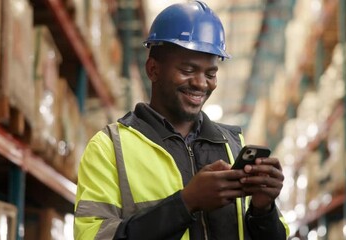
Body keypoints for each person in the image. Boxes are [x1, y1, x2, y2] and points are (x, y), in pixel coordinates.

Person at [74, 1, 289, 239]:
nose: (200, 83)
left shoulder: (232, 145)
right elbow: (93, 235)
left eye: (210, 74)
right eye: (188, 70)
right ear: (153, 69)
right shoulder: (109, 149)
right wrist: (186, 203)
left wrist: (262, 210)